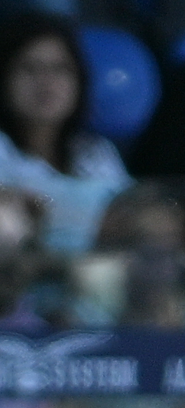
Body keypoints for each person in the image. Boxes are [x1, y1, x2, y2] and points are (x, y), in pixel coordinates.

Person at [0, 15, 131, 252]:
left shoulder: (96, 152)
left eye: (60, 69)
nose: (46, 82)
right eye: (30, 69)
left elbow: (132, 212)